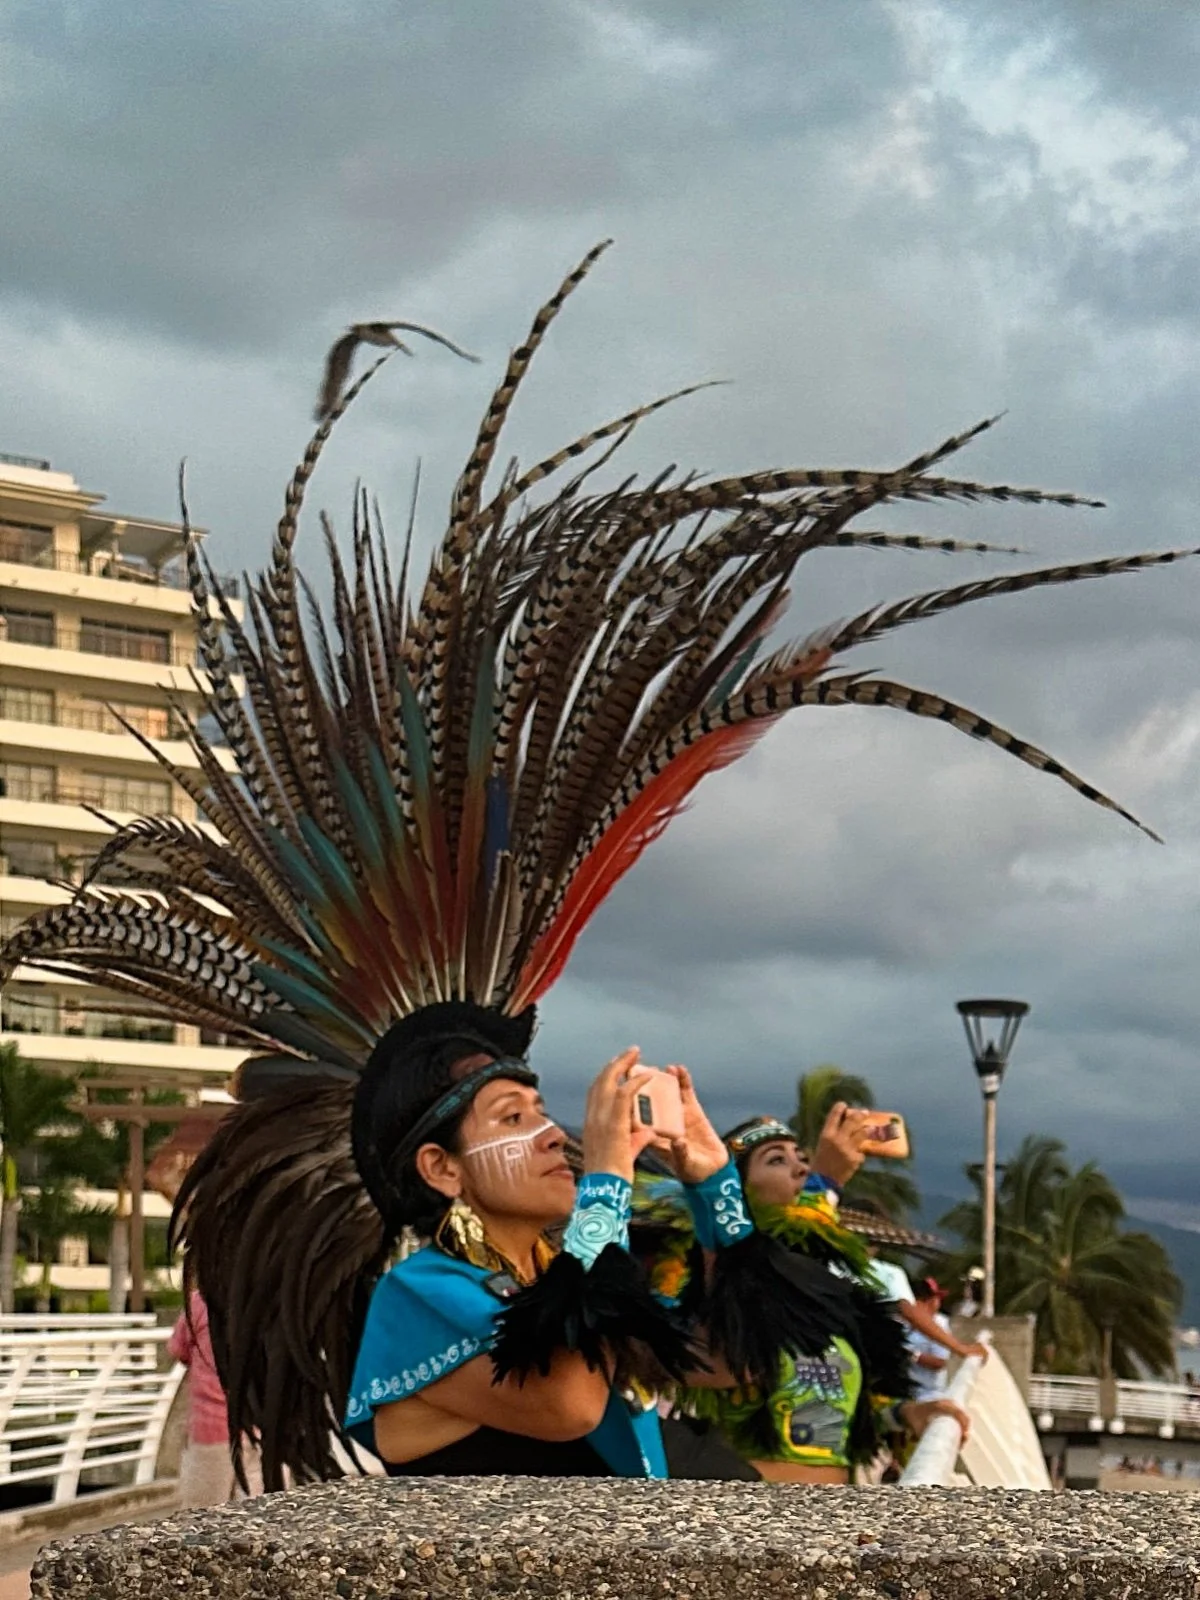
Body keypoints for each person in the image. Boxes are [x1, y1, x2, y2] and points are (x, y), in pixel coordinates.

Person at [0, 249, 1171, 1486]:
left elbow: (782, 1342)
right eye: (518, 1119)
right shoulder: (425, 1294)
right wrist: (610, 1179)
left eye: (544, 1110)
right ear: (440, 1171)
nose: (555, 1131)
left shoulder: (582, 1261)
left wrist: (712, 1173)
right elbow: (562, 1398)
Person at [638, 1107, 971, 1483]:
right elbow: (732, 1339)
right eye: (776, 1160)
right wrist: (823, 1184)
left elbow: (832, 1412)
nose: (801, 1170)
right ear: (737, 1193)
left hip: (830, 1522)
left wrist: (907, 1413)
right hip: (741, 1523)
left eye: (804, 1160)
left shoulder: (827, 1301)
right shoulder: (694, 1282)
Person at [167, 1290, 262, 1504]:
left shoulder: (201, 1302)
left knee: (201, 1515)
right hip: (259, 1424)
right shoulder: (266, 1299)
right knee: (258, 1510)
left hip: (211, 1426)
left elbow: (178, 1350)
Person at [907, 1278, 952, 1401]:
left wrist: (911, 1356)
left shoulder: (940, 1324)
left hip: (928, 1393)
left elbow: (940, 1362)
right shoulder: (904, 1321)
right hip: (903, 1391)